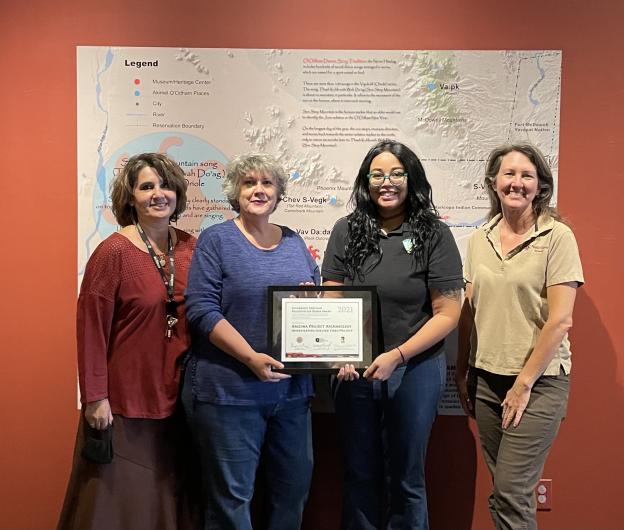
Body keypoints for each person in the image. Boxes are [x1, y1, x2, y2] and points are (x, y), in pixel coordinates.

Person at [322, 140, 463, 529]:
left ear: (411, 178)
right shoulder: (346, 230)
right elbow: (332, 297)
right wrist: (341, 350)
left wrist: (397, 355)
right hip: (354, 371)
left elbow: (448, 313)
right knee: (359, 472)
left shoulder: (434, 233)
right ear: (366, 181)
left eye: (397, 173)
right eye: (378, 174)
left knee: (406, 477)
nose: (387, 182)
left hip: (414, 369)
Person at [57, 153, 197, 529]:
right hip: (123, 403)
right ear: (130, 197)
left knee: (168, 496)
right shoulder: (113, 252)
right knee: (117, 502)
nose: (158, 194)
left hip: (179, 401)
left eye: (165, 185)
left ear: (178, 194)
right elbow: (91, 329)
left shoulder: (191, 249)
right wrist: (95, 398)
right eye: (146, 186)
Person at [182, 153, 319, 530]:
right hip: (230, 394)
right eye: (249, 183)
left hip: (292, 396)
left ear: (278, 194)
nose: (259, 190)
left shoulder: (294, 242)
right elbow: (201, 309)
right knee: (231, 501)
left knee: (292, 494)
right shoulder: (217, 240)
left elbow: (316, 304)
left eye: (267, 183)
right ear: (235, 192)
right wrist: (250, 358)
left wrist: (312, 301)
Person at [455, 142, 584, 530]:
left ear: (540, 185)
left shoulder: (557, 237)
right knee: (507, 492)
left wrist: (523, 384)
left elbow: (560, 320)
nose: (517, 182)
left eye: (527, 175)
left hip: (539, 383)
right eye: (509, 174)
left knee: (510, 492)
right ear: (494, 182)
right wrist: (462, 371)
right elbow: (469, 310)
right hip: (486, 382)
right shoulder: (480, 239)